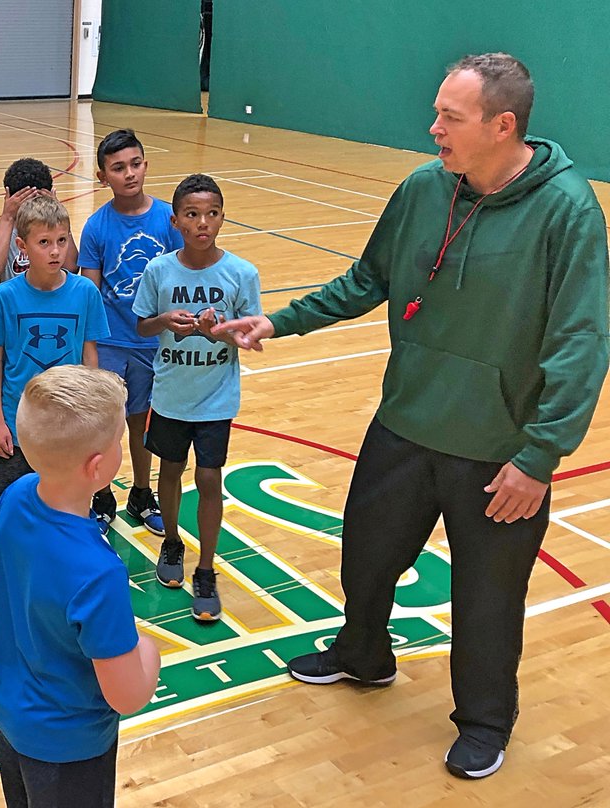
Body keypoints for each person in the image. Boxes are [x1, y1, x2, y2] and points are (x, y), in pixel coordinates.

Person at [212, 53, 609, 779]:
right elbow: (368, 279)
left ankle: (485, 720)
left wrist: (538, 458)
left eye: (450, 118)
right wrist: (280, 321)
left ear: (503, 125)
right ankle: (364, 654)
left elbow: (580, 345)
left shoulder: (567, 211)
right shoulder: (424, 188)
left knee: (487, 601)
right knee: (365, 556)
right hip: (405, 422)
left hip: (498, 452)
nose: (434, 129)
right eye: (436, 114)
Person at [0, 364, 160, 808]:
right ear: (98, 467)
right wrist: (148, 649)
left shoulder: (16, 494)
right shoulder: (98, 573)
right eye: (119, 440)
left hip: (8, 713)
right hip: (69, 746)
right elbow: (127, 695)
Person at [132, 174, 259, 622]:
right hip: (170, 395)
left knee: (208, 479)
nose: (203, 223)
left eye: (212, 214)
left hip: (216, 399)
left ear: (222, 218)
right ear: (175, 221)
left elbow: (250, 336)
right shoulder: (159, 270)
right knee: (170, 471)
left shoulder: (242, 273)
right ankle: (171, 542)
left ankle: (206, 569)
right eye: (192, 214)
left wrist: (218, 331)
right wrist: (166, 320)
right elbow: (142, 326)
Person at [0, 195, 109, 525]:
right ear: (22, 246)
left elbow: (89, 354)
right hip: (18, 421)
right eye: (44, 242)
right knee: (5, 509)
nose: (55, 252)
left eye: (62, 241)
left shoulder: (85, 292)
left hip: (67, 420)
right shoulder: (5, 296)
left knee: (63, 503)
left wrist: (90, 412)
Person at [79, 129, 183, 537]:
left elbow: (181, 275)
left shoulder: (168, 220)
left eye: (135, 164)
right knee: (106, 425)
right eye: (118, 168)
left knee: (141, 423)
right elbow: (90, 291)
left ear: (146, 165)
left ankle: (141, 493)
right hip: (109, 341)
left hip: (151, 342)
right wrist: (87, 347)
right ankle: (102, 495)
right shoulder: (96, 227)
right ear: (103, 176)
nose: (129, 174)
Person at [0, 157, 79, 282]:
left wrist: (57, 213)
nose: (32, 209)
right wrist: (7, 217)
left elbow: (71, 267)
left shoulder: (56, 233)